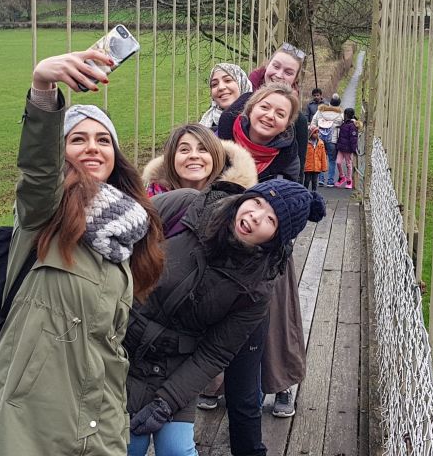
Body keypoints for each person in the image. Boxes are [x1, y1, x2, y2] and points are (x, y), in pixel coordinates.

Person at [0, 50, 165, 456]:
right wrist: (43, 88)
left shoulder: (126, 235)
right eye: (77, 139)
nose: (92, 148)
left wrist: (114, 425)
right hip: (27, 426)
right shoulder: (43, 217)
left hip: (97, 422)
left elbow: (108, 346)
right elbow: (38, 171)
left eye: (103, 140)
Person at [125, 179, 326, 456]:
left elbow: (216, 352)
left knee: (176, 450)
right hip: (119, 344)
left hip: (174, 364)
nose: (255, 217)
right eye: (257, 202)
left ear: (275, 240)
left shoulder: (257, 288)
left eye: (271, 220)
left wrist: (166, 402)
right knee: (126, 445)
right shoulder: (185, 206)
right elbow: (120, 233)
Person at [218, 82, 306, 420]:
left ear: (287, 124)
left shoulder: (287, 156)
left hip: (268, 248)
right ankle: (213, 385)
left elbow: (293, 206)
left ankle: (282, 381)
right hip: (223, 238)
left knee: (276, 312)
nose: (270, 116)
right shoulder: (220, 139)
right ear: (250, 109)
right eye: (265, 107)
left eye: (280, 114)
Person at [143, 123, 257, 198]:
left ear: (215, 157)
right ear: (170, 158)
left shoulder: (237, 202)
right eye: (184, 150)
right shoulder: (146, 201)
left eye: (203, 149)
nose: (194, 156)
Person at [246, 42, 309, 170]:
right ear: (267, 65)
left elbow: (298, 173)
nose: (279, 75)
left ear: (295, 80)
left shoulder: (298, 121)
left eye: (288, 72)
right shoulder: (239, 101)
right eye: (275, 66)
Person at [200, 63, 253, 132]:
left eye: (228, 80)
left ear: (242, 84)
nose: (221, 87)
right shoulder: (206, 123)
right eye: (214, 84)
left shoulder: (256, 120)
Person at [312, 93, 343, 187]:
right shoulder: (340, 114)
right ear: (339, 104)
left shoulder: (320, 111)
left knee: (320, 158)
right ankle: (330, 181)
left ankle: (321, 179)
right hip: (332, 140)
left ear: (330, 103)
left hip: (320, 138)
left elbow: (313, 122)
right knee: (332, 160)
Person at [335, 108, 359, 189]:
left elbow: (353, 138)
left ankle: (349, 181)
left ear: (346, 115)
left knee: (348, 164)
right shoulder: (344, 123)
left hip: (348, 149)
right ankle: (342, 176)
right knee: (338, 162)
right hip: (341, 148)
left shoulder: (352, 126)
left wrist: (353, 149)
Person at [304, 125, 327, 192]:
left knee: (314, 182)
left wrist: (324, 167)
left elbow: (323, 156)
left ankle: (314, 195)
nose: (317, 134)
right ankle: (305, 193)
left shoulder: (321, 143)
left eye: (318, 132)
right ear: (310, 134)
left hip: (317, 166)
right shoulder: (306, 143)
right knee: (307, 181)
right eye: (315, 133)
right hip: (308, 166)